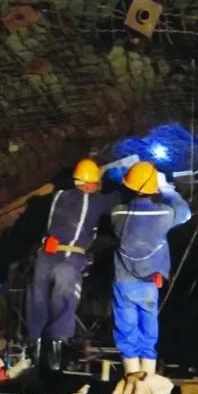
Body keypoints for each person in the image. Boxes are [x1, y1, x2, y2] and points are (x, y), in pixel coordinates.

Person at [26, 158, 121, 374]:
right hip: (68, 259)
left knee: (37, 303)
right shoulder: (91, 200)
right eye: (96, 184)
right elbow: (116, 200)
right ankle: (56, 363)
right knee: (64, 304)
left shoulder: (58, 196)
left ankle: (35, 358)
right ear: (89, 184)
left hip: (45, 256)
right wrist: (121, 180)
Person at [110, 160, 192, 375]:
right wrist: (167, 190)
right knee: (148, 329)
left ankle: (131, 376)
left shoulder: (117, 214)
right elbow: (185, 213)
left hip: (123, 279)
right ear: (153, 187)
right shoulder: (163, 214)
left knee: (126, 329)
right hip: (149, 280)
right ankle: (148, 378)